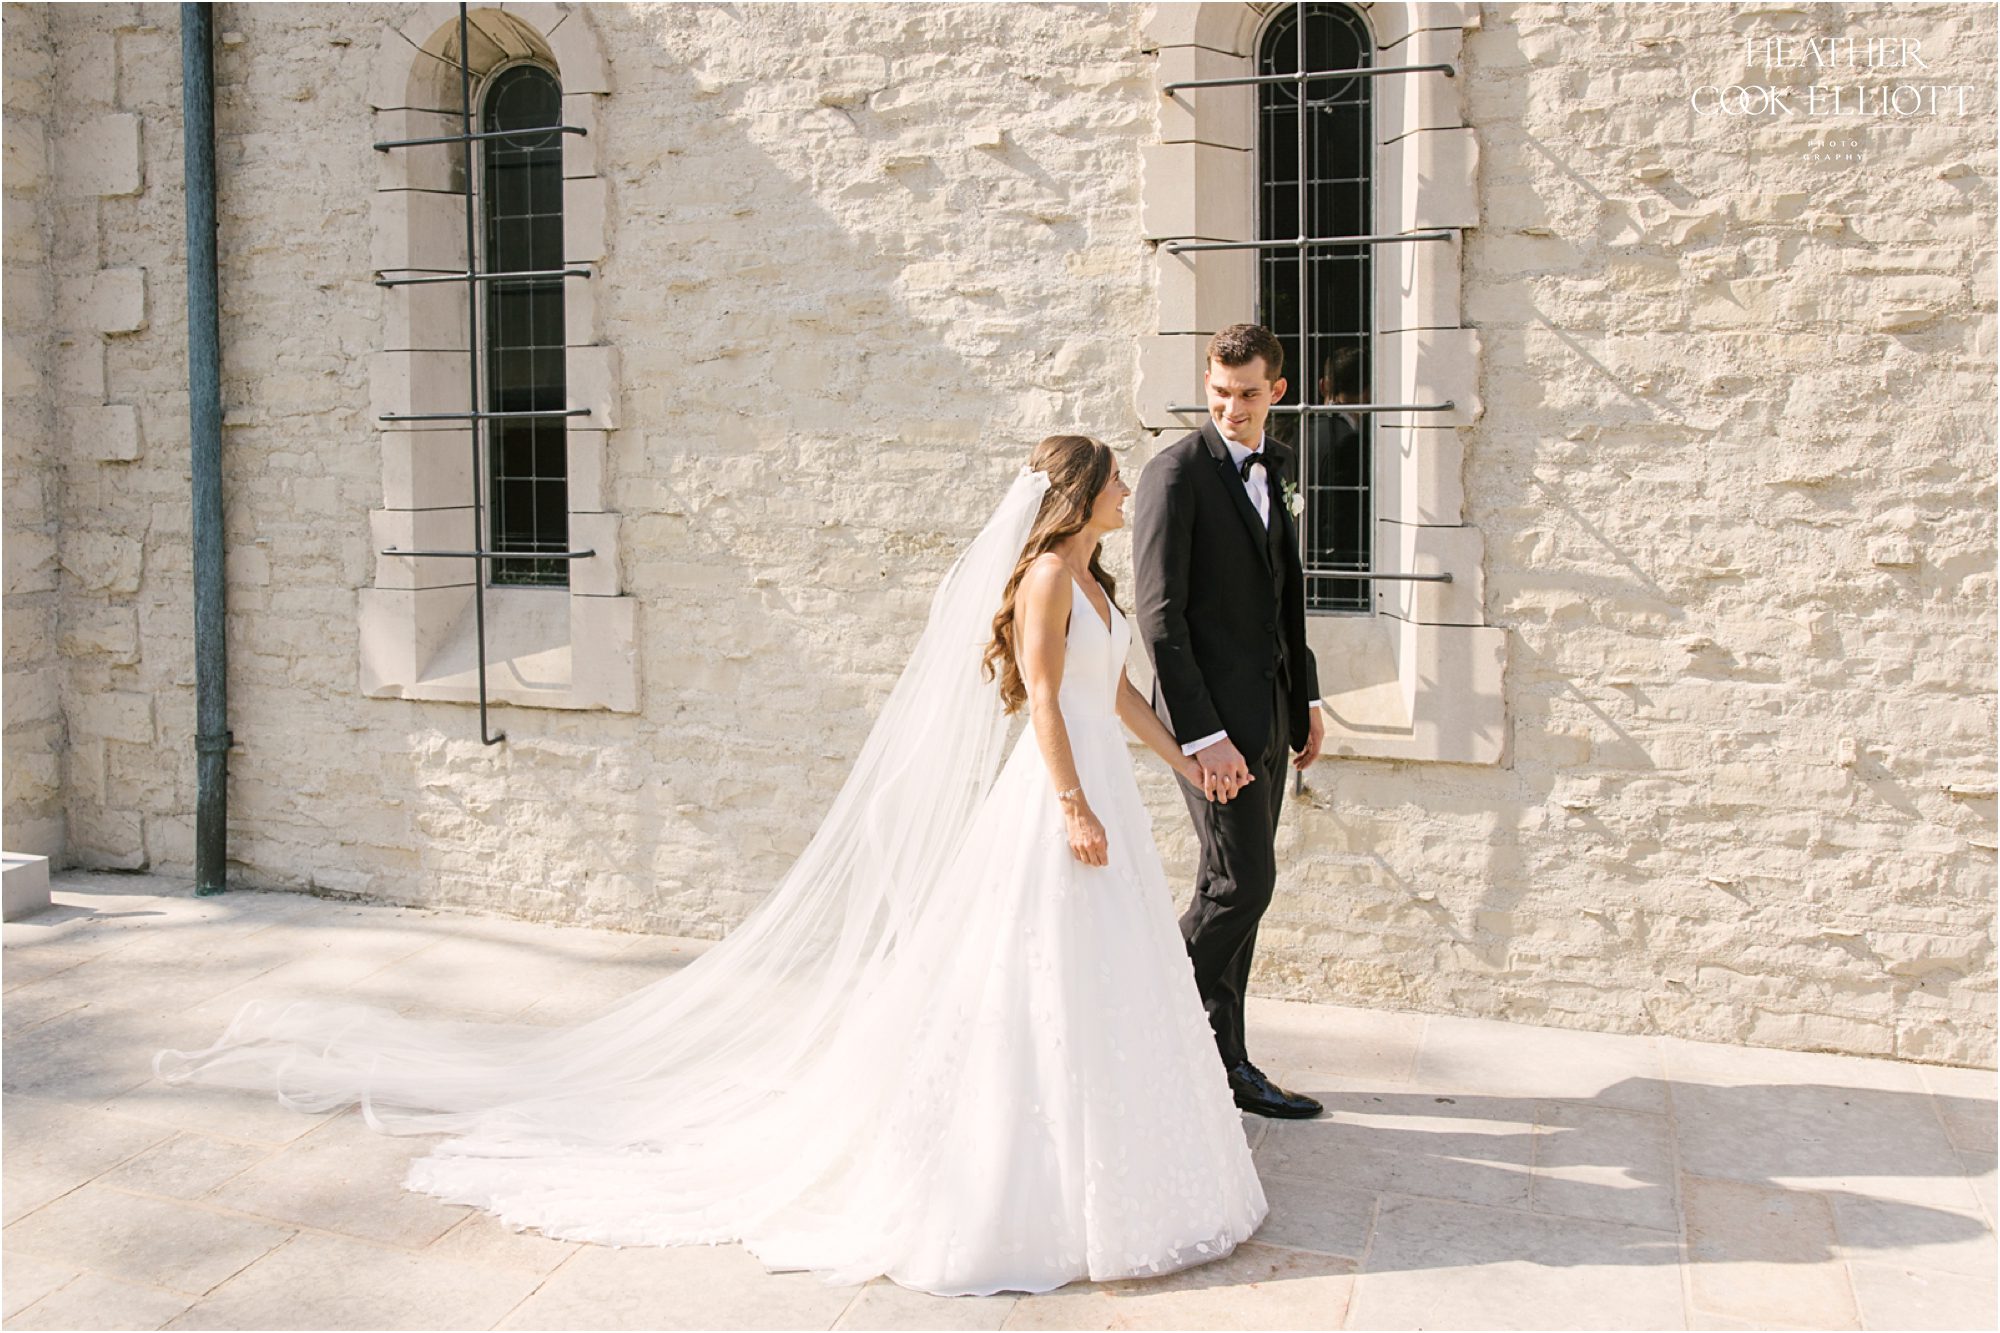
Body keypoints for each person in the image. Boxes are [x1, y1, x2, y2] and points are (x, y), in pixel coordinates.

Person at [152, 434, 1267, 1298]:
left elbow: (1112, 690)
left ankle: (1118, 1167)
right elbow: (1040, 706)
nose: (1126, 494)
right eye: (1113, 482)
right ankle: (1018, 1179)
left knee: (1105, 986)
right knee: (1029, 985)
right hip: (1054, 808)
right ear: (1079, 494)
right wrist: (1070, 802)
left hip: (1107, 796)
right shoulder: (1037, 585)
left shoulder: (1096, 584)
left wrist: (1181, 754)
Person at [1131, 322, 1328, 1121]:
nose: (1232, 409)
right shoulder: (1175, 474)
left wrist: (1306, 699)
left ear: (1275, 390)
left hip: (1271, 714)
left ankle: (1225, 1061)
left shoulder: (1275, 468)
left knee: (1239, 889)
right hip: (1211, 727)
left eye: (1248, 394)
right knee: (1242, 882)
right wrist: (1203, 737)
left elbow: (1287, 593)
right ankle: (1140, 1021)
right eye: (1219, 393)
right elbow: (1159, 616)